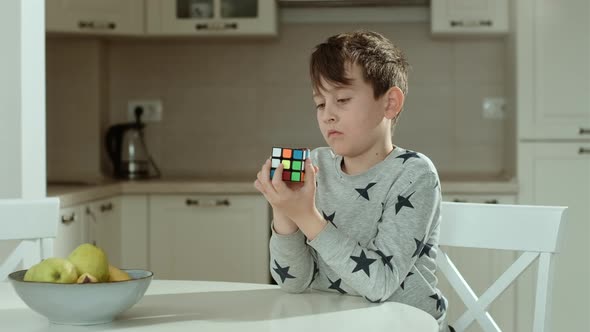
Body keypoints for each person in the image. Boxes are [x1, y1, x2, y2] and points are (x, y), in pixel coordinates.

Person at [254, 30, 449, 332]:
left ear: (390, 103)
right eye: (320, 103)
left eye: (342, 99)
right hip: (333, 323)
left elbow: (379, 284)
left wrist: (307, 215)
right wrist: (285, 211)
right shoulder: (316, 166)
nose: (327, 115)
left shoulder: (413, 173)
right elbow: (293, 283)